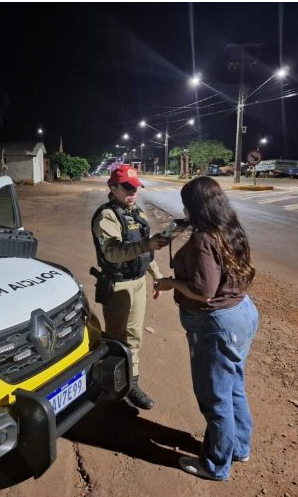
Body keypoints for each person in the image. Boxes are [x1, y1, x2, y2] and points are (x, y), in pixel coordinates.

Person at [155, 176, 260, 481]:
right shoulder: (228, 226)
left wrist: (172, 282)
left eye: (187, 204)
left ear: (196, 206)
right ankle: (239, 447)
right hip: (241, 314)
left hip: (216, 324)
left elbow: (204, 291)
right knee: (233, 386)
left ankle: (215, 465)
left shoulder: (204, 238)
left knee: (214, 397)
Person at [91, 164, 169, 410]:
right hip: (118, 286)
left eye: (135, 187)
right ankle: (113, 387)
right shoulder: (106, 216)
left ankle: (130, 384)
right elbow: (113, 253)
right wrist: (148, 245)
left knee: (134, 338)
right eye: (126, 187)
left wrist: (156, 275)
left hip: (137, 283)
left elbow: (145, 254)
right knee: (117, 338)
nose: (132, 192)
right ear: (112, 187)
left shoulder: (137, 213)